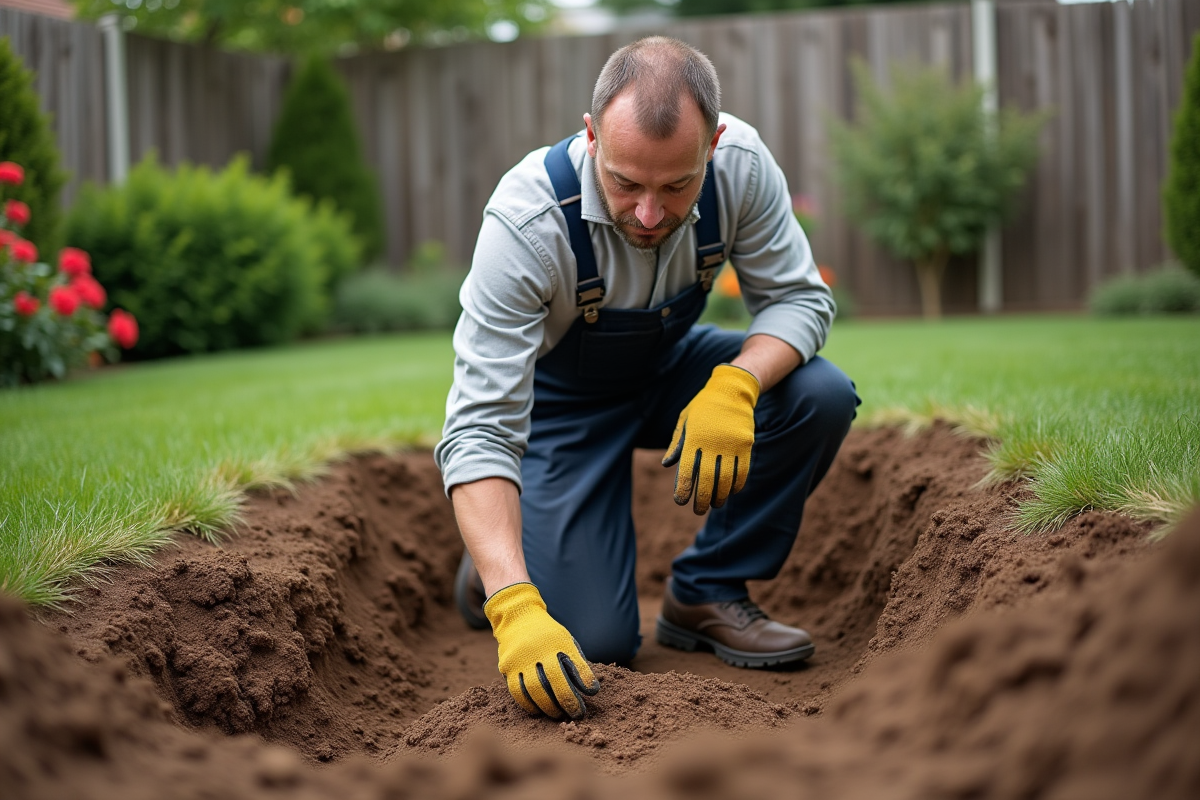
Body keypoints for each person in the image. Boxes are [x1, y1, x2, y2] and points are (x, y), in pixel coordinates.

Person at [434, 36, 859, 722]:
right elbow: (481, 428)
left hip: (671, 371)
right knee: (596, 646)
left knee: (818, 395)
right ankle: (494, 570)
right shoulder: (527, 222)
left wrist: (738, 384)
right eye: (626, 183)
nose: (650, 214)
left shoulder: (742, 168)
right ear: (592, 134)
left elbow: (799, 299)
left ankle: (707, 588)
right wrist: (514, 606)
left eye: (676, 186)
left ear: (713, 145)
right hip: (561, 409)